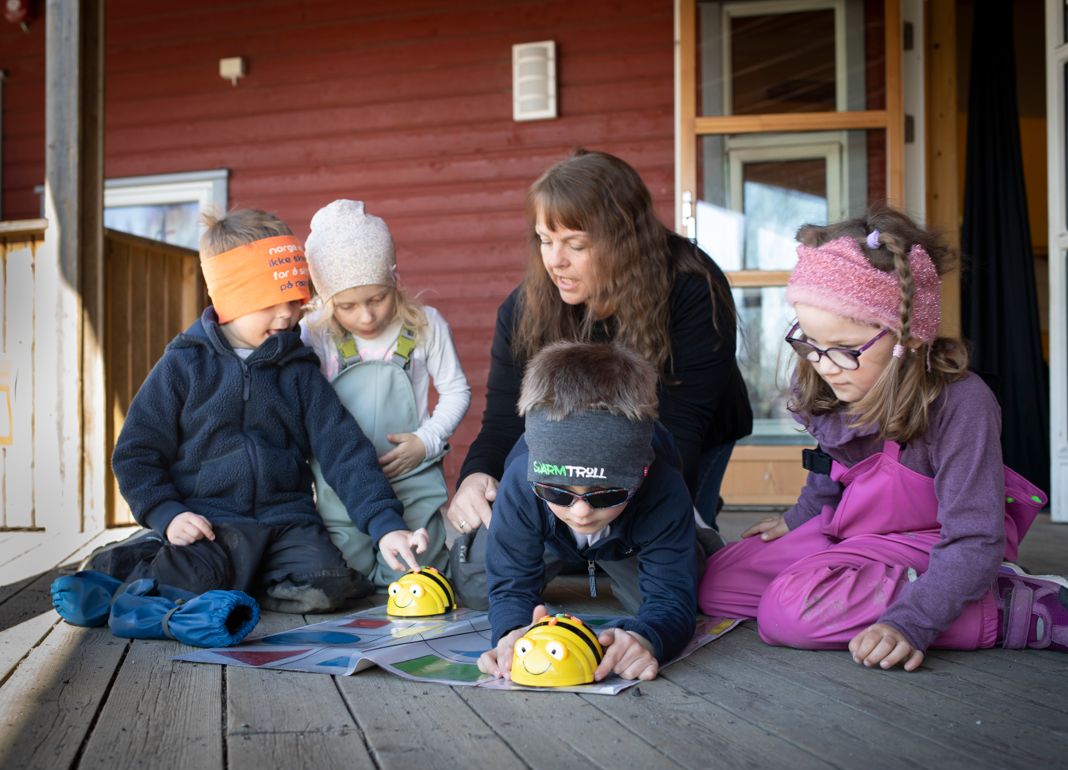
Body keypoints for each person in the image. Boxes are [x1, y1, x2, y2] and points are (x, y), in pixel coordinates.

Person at [698, 208, 1068, 671]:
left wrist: (913, 621)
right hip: (854, 531)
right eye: (809, 342)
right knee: (717, 583)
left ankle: (1003, 606)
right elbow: (829, 464)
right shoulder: (829, 378)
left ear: (909, 338)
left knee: (786, 614)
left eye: (844, 347)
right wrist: (799, 519)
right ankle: (849, 584)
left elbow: (975, 536)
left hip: (931, 540)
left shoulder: (961, 403)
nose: (823, 363)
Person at [77, 209, 428, 615]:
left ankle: (244, 578)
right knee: (187, 587)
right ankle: (131, 561)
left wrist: (386, 525)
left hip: (286, 522)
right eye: (268, 302)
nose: (287, 314)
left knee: (328, 589)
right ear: (229, 300)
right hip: (209, 522)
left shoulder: (299, 371)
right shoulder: (184, 365)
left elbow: (344, 450)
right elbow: (135, 453)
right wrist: (167, 514)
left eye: (295, 300)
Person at [448, 149, 752, 539]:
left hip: (686, 435)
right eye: (545, 240)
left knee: (667, 543)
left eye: (575, 245)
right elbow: (506, 420)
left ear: (624, 241)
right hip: (573, 444)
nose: (554, 261)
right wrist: (477, 474)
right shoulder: (525, 308)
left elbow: (679, 429)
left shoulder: (692, 288)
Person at [471, 341, 700, 682]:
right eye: (555, 491)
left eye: (606, 495)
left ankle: (698, 541)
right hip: (549, 538)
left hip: (628, 543)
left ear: (641, 477)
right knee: (475, 586)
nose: (580, 513)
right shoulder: (520, 480)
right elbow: (510, 587)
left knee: (681, 598)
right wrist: (512, 632)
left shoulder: (663, 487)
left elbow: (669, 598)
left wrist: (644, 638)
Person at [301, 199, 470, 586]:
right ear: (327, 301)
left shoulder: (426, 326)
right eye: (346, 306)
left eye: (377, 298)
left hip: (411, 473)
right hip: (340, 482)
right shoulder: (314, 333)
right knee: (349, 574)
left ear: (394, 279)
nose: (366, 316)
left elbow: (456, 390)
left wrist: (426, 442)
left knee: (418, 572)